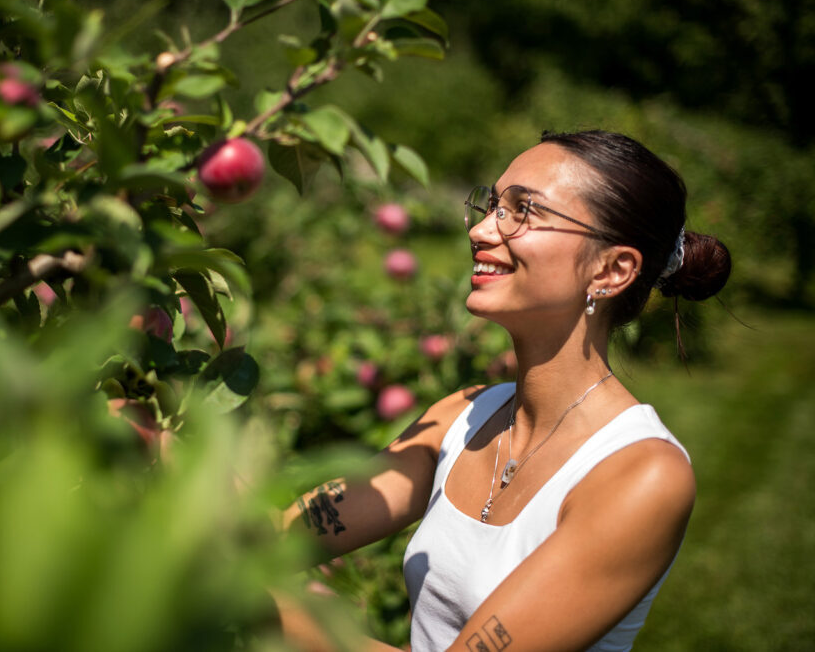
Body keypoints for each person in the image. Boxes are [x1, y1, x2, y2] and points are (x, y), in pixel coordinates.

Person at [279, 130, 732, 651]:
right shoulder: (463, 415)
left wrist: (264, 609)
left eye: (524, 211)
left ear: (612, 269)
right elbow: (286, 533)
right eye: (494, 205)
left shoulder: (641, 475)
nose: (479, 229)